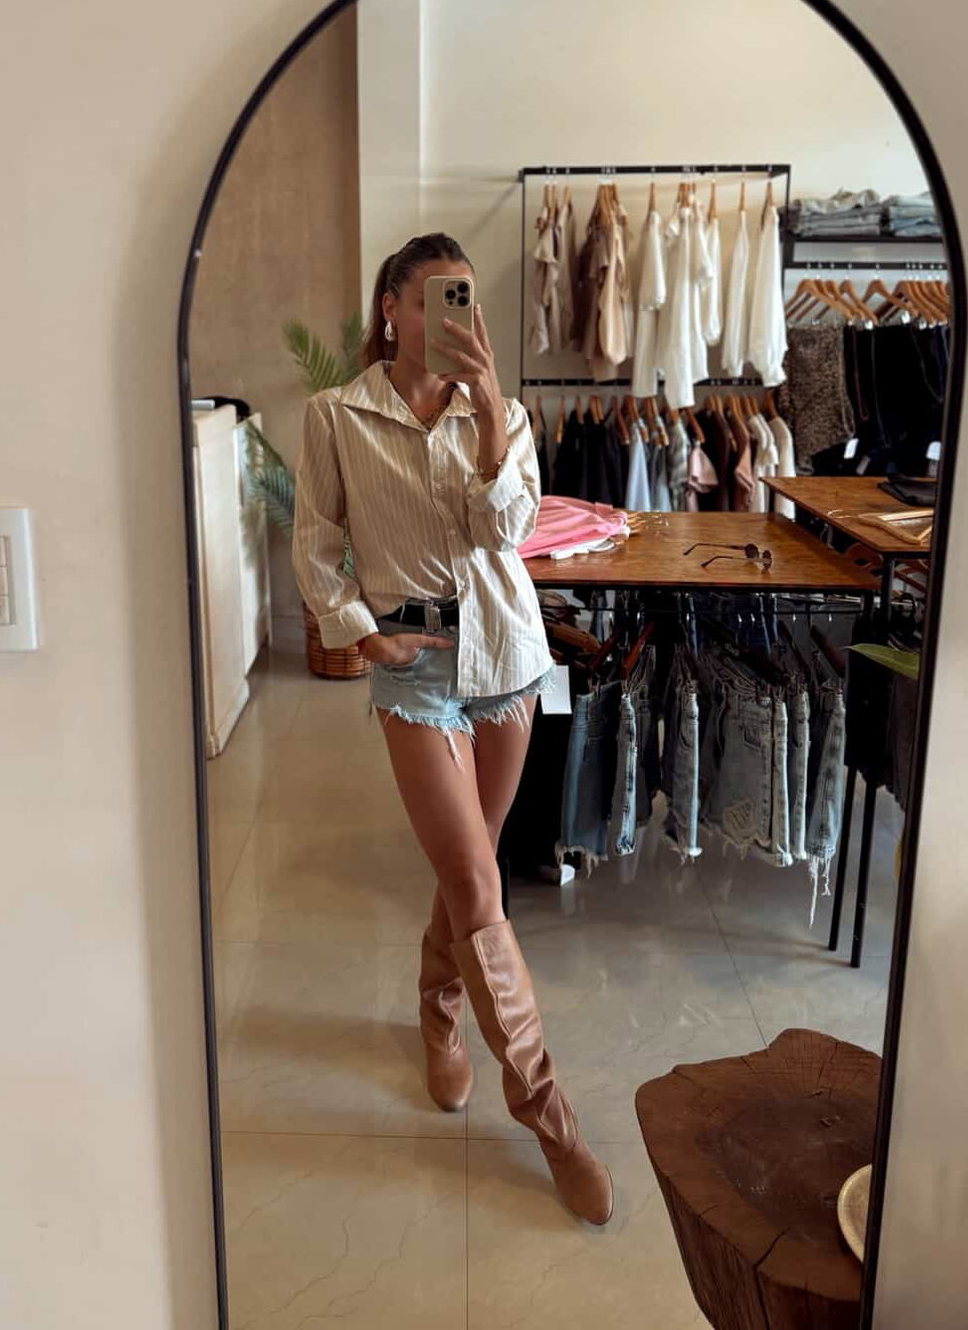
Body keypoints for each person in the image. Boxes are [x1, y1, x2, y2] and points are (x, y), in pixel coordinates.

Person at [292, 233, 613, 1226]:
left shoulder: (499, 413)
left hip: (507, 656)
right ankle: (551, 1119)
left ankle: (438, 1014)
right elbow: (316, 542)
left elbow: (508, 533)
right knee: (476, 881)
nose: (451, 317)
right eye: (434, 297)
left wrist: (489, 415)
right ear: (391, 307)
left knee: (468, 863)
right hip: (416, 669)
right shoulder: (336, 413)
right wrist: (359, 631)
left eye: (463, 299)